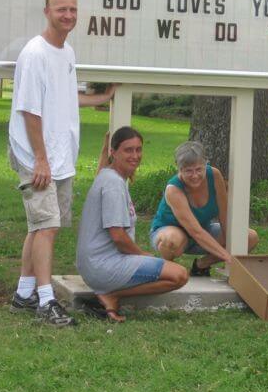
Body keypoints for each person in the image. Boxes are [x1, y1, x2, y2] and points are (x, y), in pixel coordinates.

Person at [8, 0, 115, 326]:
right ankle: (46, 301)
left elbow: (65, 98)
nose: (68, 15)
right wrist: (40, 159)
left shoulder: (66, 51)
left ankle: (24, 294)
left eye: (72, 9)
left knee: (41, 226)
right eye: (60, 9)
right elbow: (30, 111)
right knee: (48, 227)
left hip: (60, 155)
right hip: (36, 155)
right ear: (47, 12)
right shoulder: (35, 53)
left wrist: (102, 98)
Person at [76, 127, 188, 322]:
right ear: (114, 152)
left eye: (138, 149)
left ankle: (111, 292)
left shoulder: (107, 175)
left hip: (92, 265)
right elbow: (118, 236)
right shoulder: (113, 185)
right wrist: (142, 254)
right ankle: (112, 295)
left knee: (161, 265)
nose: (135, 155)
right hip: (103, 267)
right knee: (179, 275)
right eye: (128, 150)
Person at [150, 141, 257, 275]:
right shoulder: (173, 190)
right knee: (171, 240)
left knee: (249, 237)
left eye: (199, 169)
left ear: (205, 164)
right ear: (179, 169)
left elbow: (225, 216)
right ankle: (167, 270)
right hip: (174, 232)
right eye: (188, 171)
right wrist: (227, 256)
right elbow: (195, 232)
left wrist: (233, 247)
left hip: (204, 230)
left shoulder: (214, 175)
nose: (195, 176)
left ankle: (200, 266)